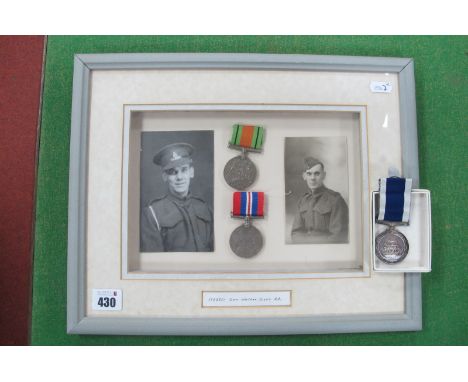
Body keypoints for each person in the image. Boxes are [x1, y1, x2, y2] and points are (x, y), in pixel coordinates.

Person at [140, 143, 213, 252]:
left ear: (191, 172)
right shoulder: (153, 214)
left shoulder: (205, 208)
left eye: (184, 170)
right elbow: (155, 262)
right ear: (165, 176)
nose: (179, 177)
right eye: (173, 172)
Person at [291, 157, 348, 243]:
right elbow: (295, 233)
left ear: (323, 175)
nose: (312, 178)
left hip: (327, 252)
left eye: (317, 174)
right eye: (309, 174)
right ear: (304, 176)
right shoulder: (302, 201)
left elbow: (339, 236)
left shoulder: (335, 200)